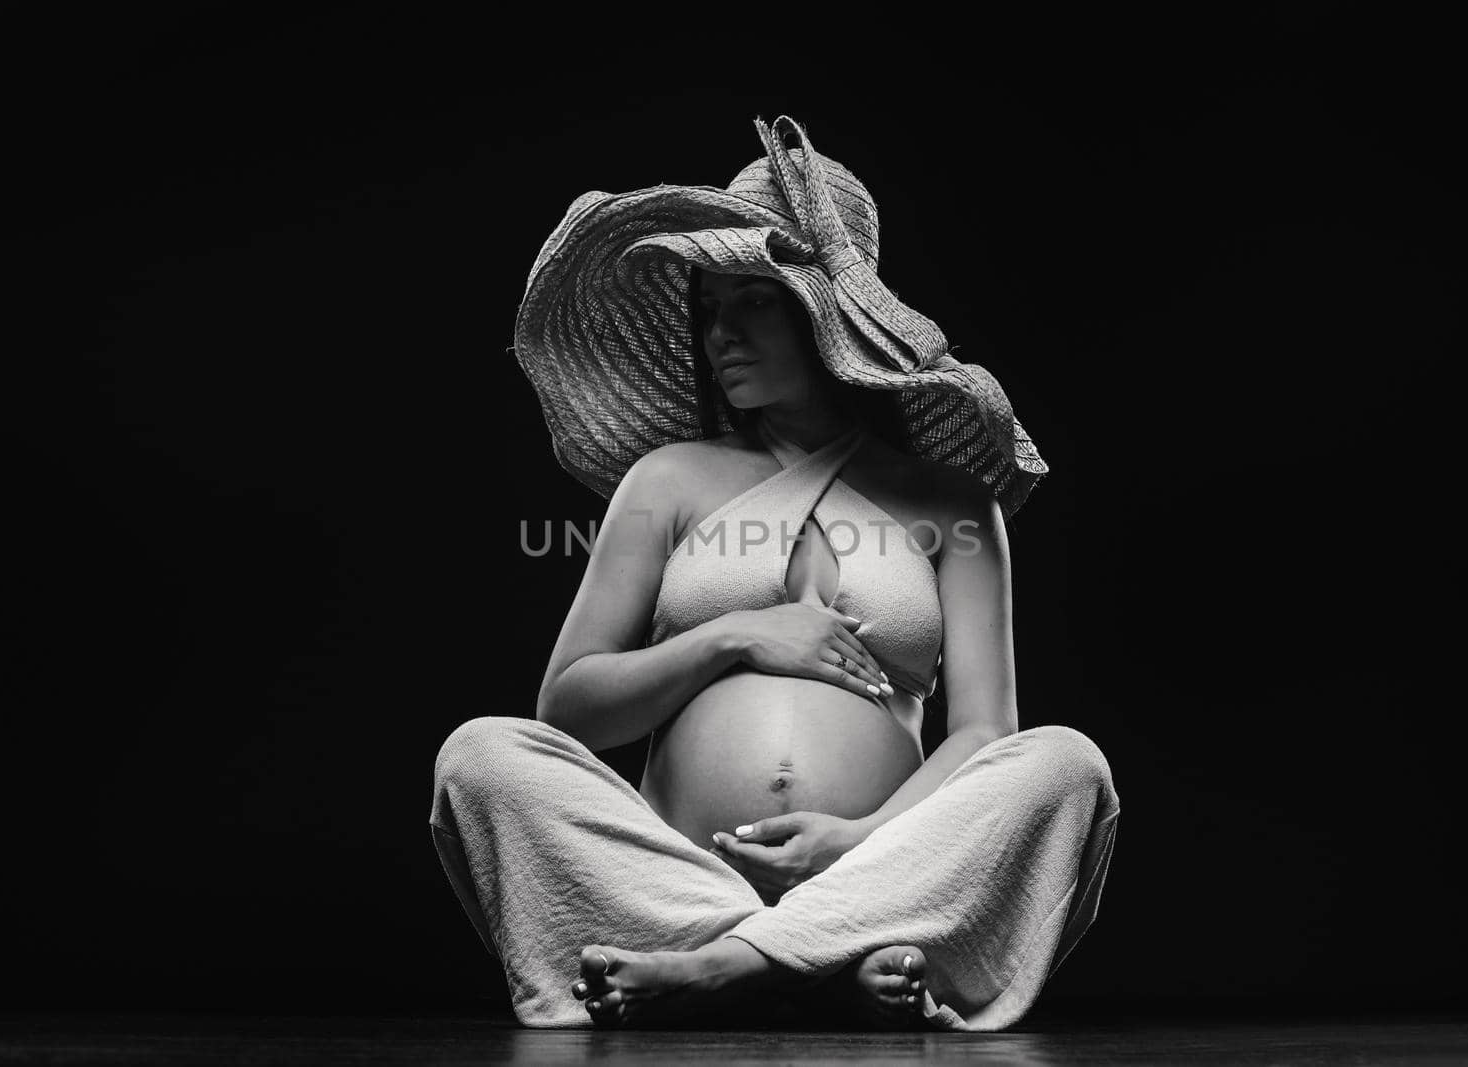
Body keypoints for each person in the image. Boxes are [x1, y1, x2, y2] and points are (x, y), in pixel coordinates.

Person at [429, 114, 1121, 1031]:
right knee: (480, 755)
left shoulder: (946, 503)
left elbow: (985, 733)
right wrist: (733, 635)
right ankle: (815, 960)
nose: (722, 333)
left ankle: (732, 962)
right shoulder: (668, 480)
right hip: (680, 865)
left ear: (828, 313)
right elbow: (571, 707)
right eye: (711, 308)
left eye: (753, 302)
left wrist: (859, 838)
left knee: (1069, 767)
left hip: (871, 860)